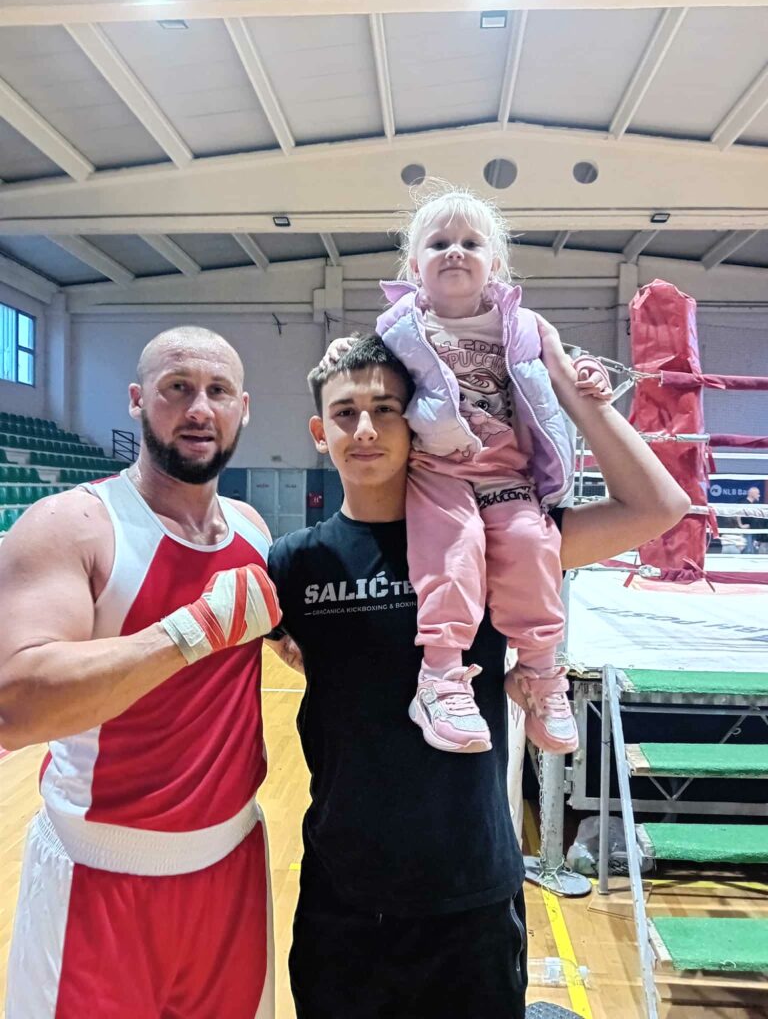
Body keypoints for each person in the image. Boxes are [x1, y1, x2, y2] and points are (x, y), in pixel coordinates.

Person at [267, 330, 690, 1019]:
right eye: (345, 413)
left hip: (471, 892)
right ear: (321, 433)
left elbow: (659, 508)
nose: (365, 428)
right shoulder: (293, 563)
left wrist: (568, 384)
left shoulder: (495, 542)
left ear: (420, 422)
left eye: (386, 409)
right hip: (343, 895)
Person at [0, 327, 281, 1018]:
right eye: (177, 388)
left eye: (218, 392)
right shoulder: (73, 524)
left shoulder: (254, 530)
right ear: (136, 400)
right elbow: (17, 705)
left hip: (233, 868)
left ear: (243, 409)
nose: (199, 409)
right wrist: (187, 632)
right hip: (98, 880)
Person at [372, 183, 611, 756]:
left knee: (533, 547)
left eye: (470, 243)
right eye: (439, 244)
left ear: (495, 263)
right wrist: (340, 354)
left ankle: (537, 672)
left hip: (508, 469)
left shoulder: (524, 325)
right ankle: (439, 675)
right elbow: (368, 372)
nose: (454, 251)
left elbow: (563, 370)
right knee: (452, 552)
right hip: (439, 466)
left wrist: (589, 373)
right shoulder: (399, 327)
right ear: (415, 265)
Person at [736, 485, 766, 553]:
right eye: (758, 493)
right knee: (748, 549)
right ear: (753, 494)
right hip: (746, 529)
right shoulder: (743, 502)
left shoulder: (757, 503)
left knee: (754, 549)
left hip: (755, 530)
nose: (759, 495)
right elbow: (737, 514)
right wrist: (740, 525)